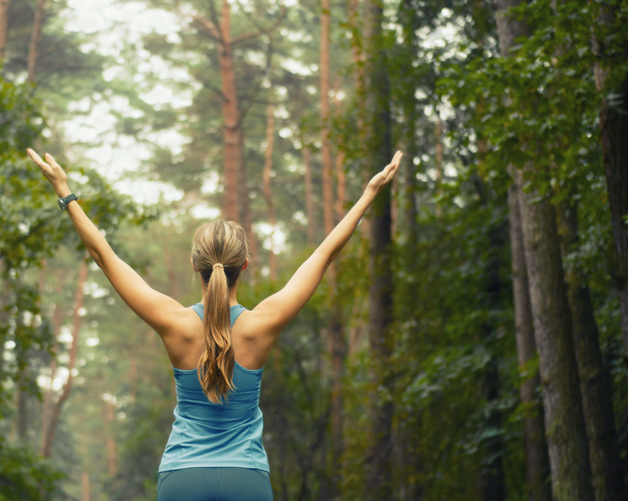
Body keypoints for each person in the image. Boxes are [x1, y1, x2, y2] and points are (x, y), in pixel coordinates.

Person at [26, 148, 402, 501]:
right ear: (245, 266)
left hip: (183, 477)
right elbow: (325, 254)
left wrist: (65, 192)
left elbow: (104, 257)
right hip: (247, 479)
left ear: (195, 265)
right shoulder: (262, 325)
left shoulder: (174, 323)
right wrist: (368, 195)